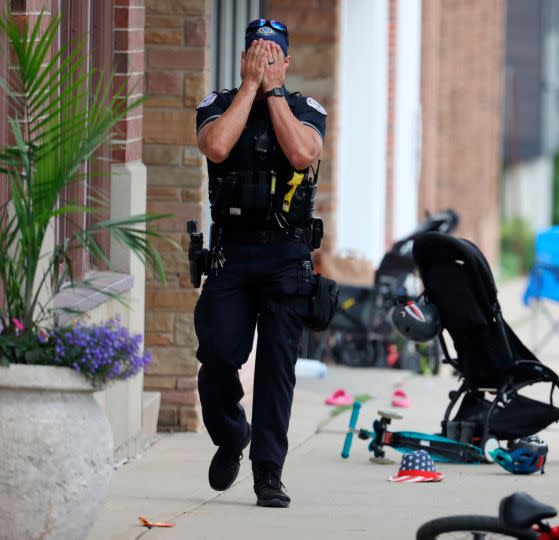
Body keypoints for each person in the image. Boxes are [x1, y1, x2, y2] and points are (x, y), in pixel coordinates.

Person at [193, 18, 327, 509]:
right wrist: (250, 88)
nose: (266, 59)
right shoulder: (217, 104)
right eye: (257, 52)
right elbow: (217, 146)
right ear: (245, 57)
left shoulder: (304, 110)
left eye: (274, 54)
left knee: (277, 370)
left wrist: (271, 93)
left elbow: (299, 153)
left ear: (287, 61)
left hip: (286, 257)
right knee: (218, 356)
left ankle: (268, 473)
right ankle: (232, 437)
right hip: (233, 254)